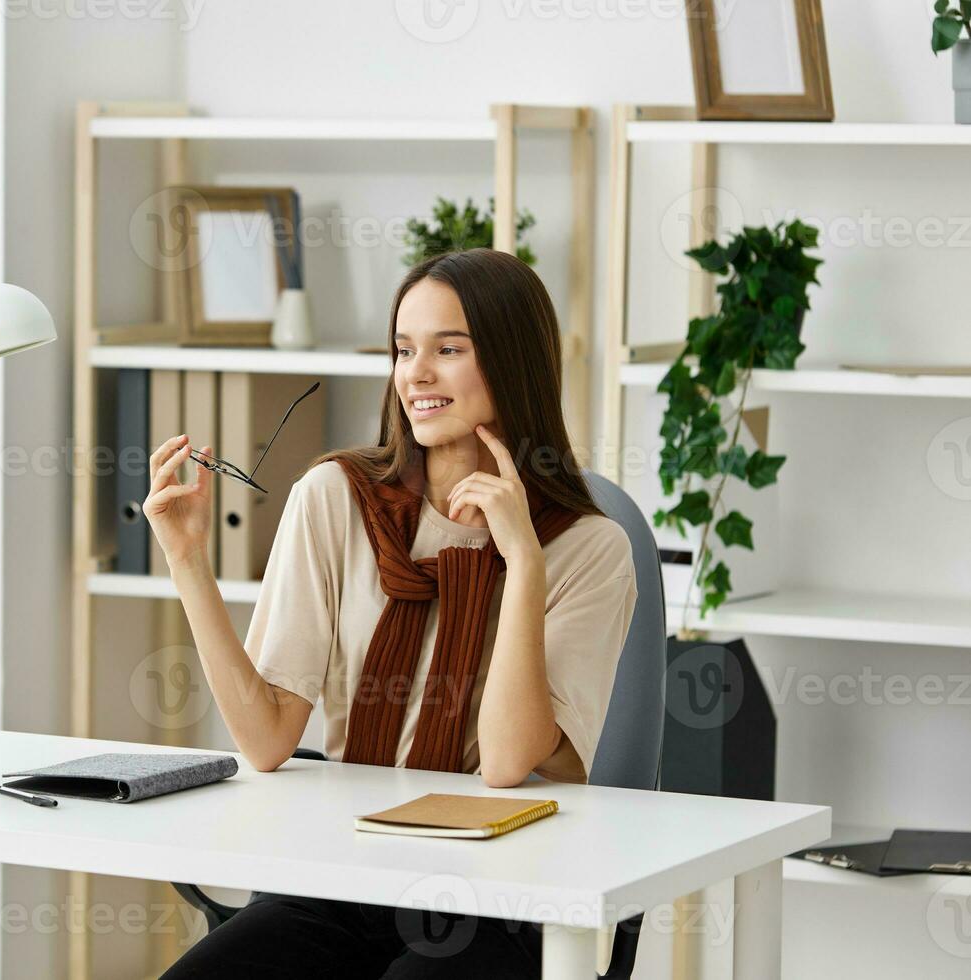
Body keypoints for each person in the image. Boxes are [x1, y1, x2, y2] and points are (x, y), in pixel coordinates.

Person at [144, 248, 638, 979]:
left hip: (500, 899)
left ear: (512, 361)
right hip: (348, 875)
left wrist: (523, 563)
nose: (417, 374)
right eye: (405, 350)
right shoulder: (334, 498)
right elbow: (268, 739)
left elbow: (506, 763)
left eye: (449, 349)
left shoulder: (589, 548)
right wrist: (187, 561)